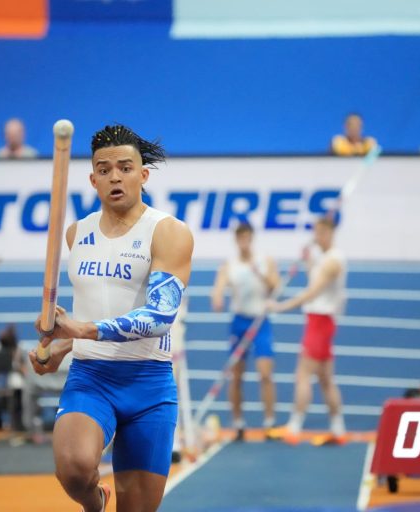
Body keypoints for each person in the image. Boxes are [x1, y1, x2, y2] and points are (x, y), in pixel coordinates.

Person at [29, 124, 193, 512]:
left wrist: (82, 330)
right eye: (104, 170)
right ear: (93, 180)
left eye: (125, 168)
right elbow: (95, 309)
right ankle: (95, 501)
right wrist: (64, 346)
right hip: (92, 378)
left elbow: (160, 316)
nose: (115, 177)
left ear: (143, 175)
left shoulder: (168, 232)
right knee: (73, 469)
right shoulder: (76, 234)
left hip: (148, 384)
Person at [269, 217, 348, 445]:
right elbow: (315, 274)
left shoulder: (333, 261)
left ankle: (294, 426)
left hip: (320, 321)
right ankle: (338, 429)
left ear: (330, 233)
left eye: (320, 233)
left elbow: (312, 291)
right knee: (326, 379)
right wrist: (307, 261)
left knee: (303, 374)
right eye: (315, 233)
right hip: (320, 320)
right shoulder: (324, 258)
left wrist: (281, 306)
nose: (316, 237)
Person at [210, 223, 279, 440]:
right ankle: (238, 423)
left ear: (252, 238)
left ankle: (269, 422)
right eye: (240, 238)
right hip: (239, 322)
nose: (244, 242)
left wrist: (259, 273)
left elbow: (276, 286)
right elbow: (218, 288)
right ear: (236, 240)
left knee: (265, 373)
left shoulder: (264, 260)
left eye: (247, 238)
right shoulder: (229, 265)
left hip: (260, 321)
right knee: (236, 375)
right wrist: (217, 298)